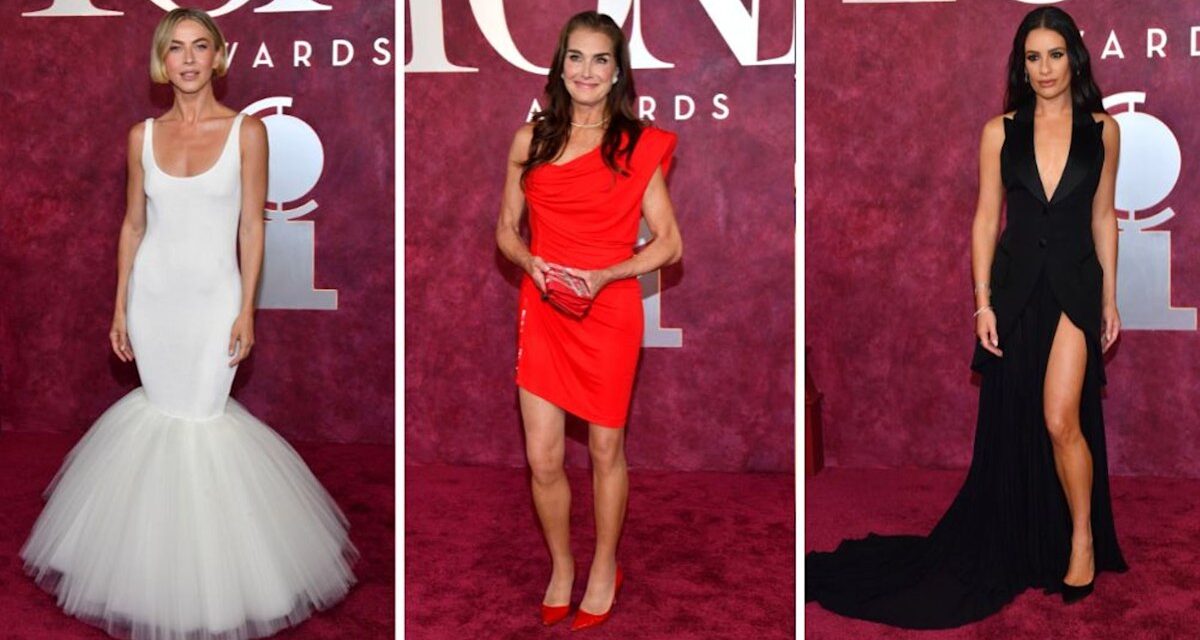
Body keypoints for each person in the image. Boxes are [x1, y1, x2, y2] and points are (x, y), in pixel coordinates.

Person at [19, 9, 358, 640]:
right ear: (161, 61)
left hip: (211, 301)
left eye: (201, 46)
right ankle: (150, 575)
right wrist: (120, 304)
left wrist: (246, 309)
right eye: (176, 49)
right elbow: (132, 226)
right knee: (161, 419)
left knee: (202, 422)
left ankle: (211, 591)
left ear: (219, 57)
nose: (189, 59)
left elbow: (254, 227)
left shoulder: (248, 132)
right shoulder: (139, 137)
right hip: (154, 300)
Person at [805, 6, 1127, 629]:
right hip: (1014, 288)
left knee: (1062, 416)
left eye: (1055, 55)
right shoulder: (999, 130)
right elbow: (986, 218)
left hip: (1075, 287)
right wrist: (981, 300)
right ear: (1020, 64)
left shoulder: (1104, 130)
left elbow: (1103, 217)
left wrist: (1111, 298)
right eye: (1032, 58)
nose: (1044, 69)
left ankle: (1082, 539)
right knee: (1015, 419)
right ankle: (1026, 532)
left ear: (1074, 59)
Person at [494, 10, 682, 632]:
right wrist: (532, 262)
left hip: (609, 310)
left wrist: (606, 275)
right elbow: (505, 232)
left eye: (601, 59)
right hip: (543, 307)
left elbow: (668, 246)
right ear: (560, 64)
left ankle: (605, 565)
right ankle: (562, 564)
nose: (587, 70)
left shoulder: (637, 144)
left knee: (606, 449)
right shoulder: (531, 139)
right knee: (543, 457)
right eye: (576, 57)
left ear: (618, 70)